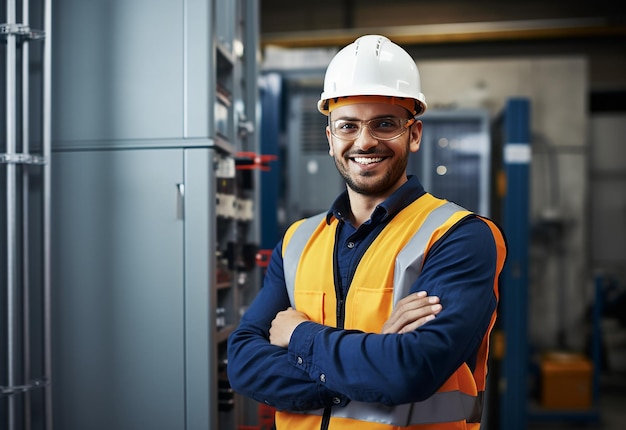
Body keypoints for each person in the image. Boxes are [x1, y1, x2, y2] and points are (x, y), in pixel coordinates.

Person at [227, 34, 507, 430]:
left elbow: (409, 370)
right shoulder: (296, 242)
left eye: (385, 124)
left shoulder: (460, 237)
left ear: (414, 134)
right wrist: (375, 355)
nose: (364, 141)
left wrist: (301, 336)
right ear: (330, 139)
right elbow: (243, 364)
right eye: (348, 126)